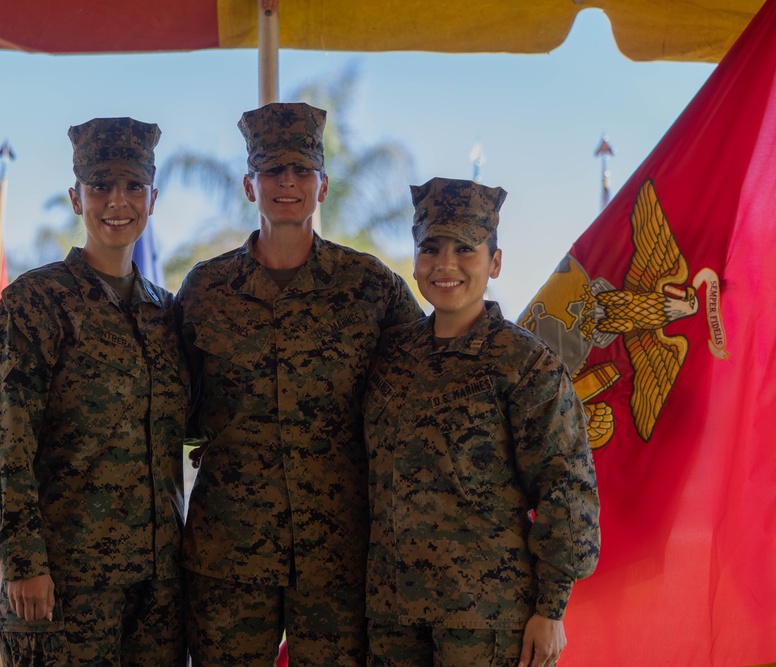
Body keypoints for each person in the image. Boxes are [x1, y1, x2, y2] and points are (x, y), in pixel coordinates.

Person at [177, 101, 424, 666]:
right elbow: (171, 396)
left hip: (337, 552)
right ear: (249, 185)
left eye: (301, 171)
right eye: (271, 171)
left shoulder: (370, 286)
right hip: (230, 551)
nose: (287, 182)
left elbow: (422, 374)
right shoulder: (206, 289)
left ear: (323, 185)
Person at [0, 117, 188, 666]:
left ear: (153, 198)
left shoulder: (167, 313)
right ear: (76, 197)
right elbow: (1, 443)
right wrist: (24, 563)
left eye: (133, 186)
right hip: (63, 585)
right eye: (101, 185)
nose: (118, 201)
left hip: (156, 593)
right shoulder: (35, 303)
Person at [362, 177, 600, 667]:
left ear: (494, 261)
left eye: (465, 249)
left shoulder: (525, 364)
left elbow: (566, 487)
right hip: (393, 618)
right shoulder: (391, 357)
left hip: (487, 620)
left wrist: (551, 609)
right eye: (430, 248)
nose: (445, 264)